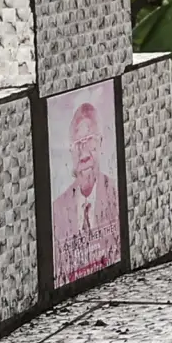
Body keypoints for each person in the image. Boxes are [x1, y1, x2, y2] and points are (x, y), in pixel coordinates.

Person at [51, 101, 120, 283]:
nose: (84, 152)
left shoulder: (115, 194)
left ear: (101, 142)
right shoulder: (58, 209)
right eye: (77, 144)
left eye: (89, 140)